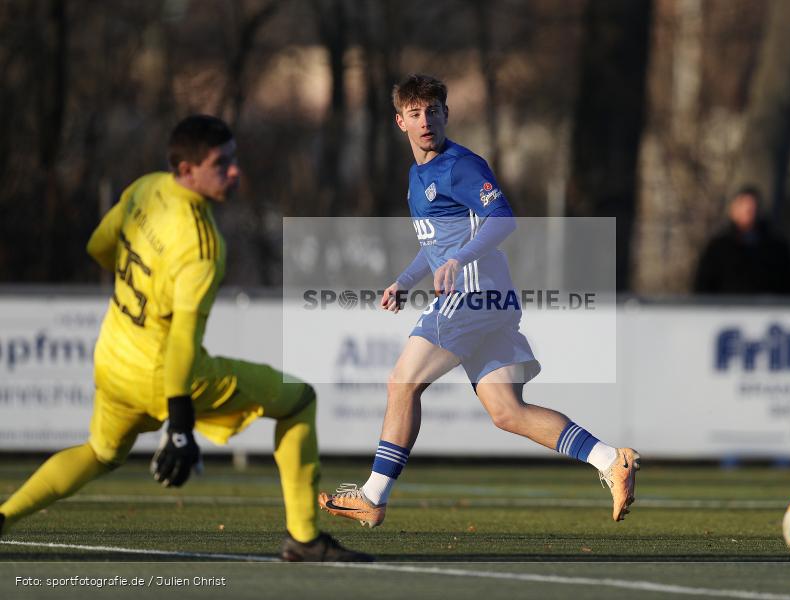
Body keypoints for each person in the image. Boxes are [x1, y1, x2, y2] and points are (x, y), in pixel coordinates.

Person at [0, 115, 370, 562]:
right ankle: (305, 538)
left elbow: (99, 246)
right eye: (221, 163)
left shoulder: (146, 188)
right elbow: (180, 340)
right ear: (187, 170)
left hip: (114, 358)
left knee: (98, 453)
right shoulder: (202, 244)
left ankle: (4, 515)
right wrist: (178, 422)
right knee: (299, 400)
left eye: (233, 160)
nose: (234, 171)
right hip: (167, 374)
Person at [318, 74, 640, 528]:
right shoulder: (417, 178)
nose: (425, 120)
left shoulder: (461, 166)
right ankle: (611, 459)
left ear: (446, 114)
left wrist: (459, 260)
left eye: (433, 111)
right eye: (415, 113)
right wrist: (405, 281)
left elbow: (503, 221)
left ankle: (373, 495)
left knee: (402, 383)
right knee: (508, 412)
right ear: (400, 122)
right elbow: (433, 246)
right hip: (490, 298)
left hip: (472, 294)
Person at [694, 186, 790, 295]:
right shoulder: (718, 248)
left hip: (767, 310)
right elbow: (703, 286)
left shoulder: (777, 248)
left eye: (753, 208)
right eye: (745, 208)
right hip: (726, 309)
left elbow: (789, 286)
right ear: (734, 210)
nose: (750, 213)